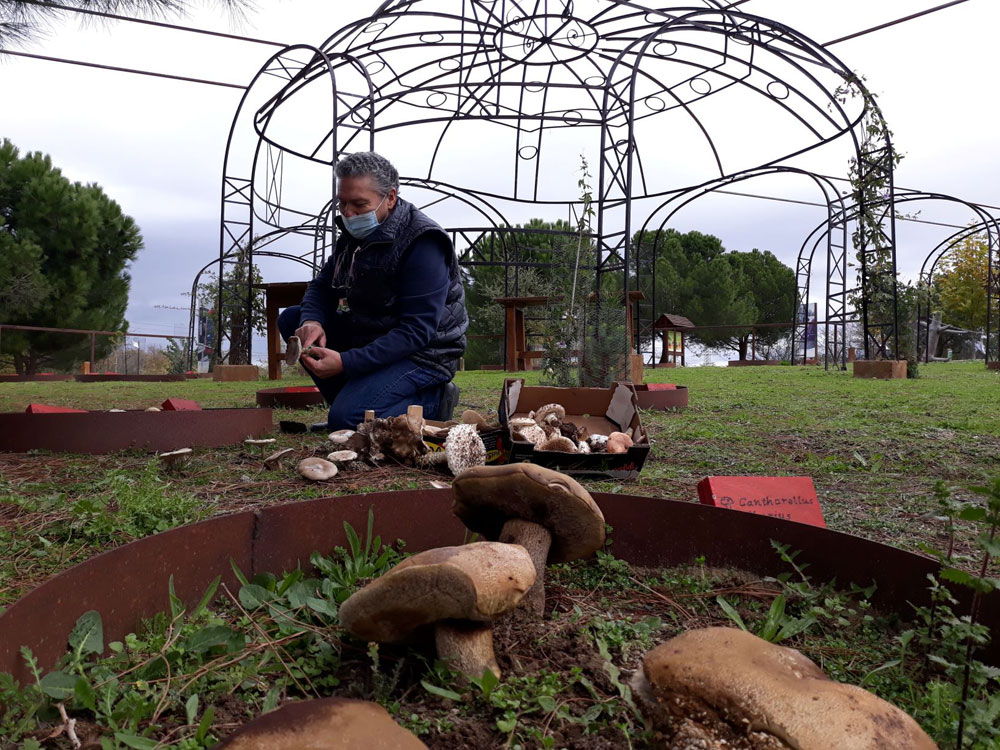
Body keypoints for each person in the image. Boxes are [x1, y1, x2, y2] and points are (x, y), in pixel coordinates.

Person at [278, 152, 467, 429]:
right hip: (373, 336)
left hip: (424, 354)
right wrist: (312, 321)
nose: (348, 213)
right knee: (293, 319)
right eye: (342, 203)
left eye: (359, 204)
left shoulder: (423, 242)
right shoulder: (354, 237)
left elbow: (416, 331)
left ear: (390, 197)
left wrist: (345, 362)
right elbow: (322, 286)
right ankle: (353, 401)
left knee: (349, 419)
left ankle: (434, 400)